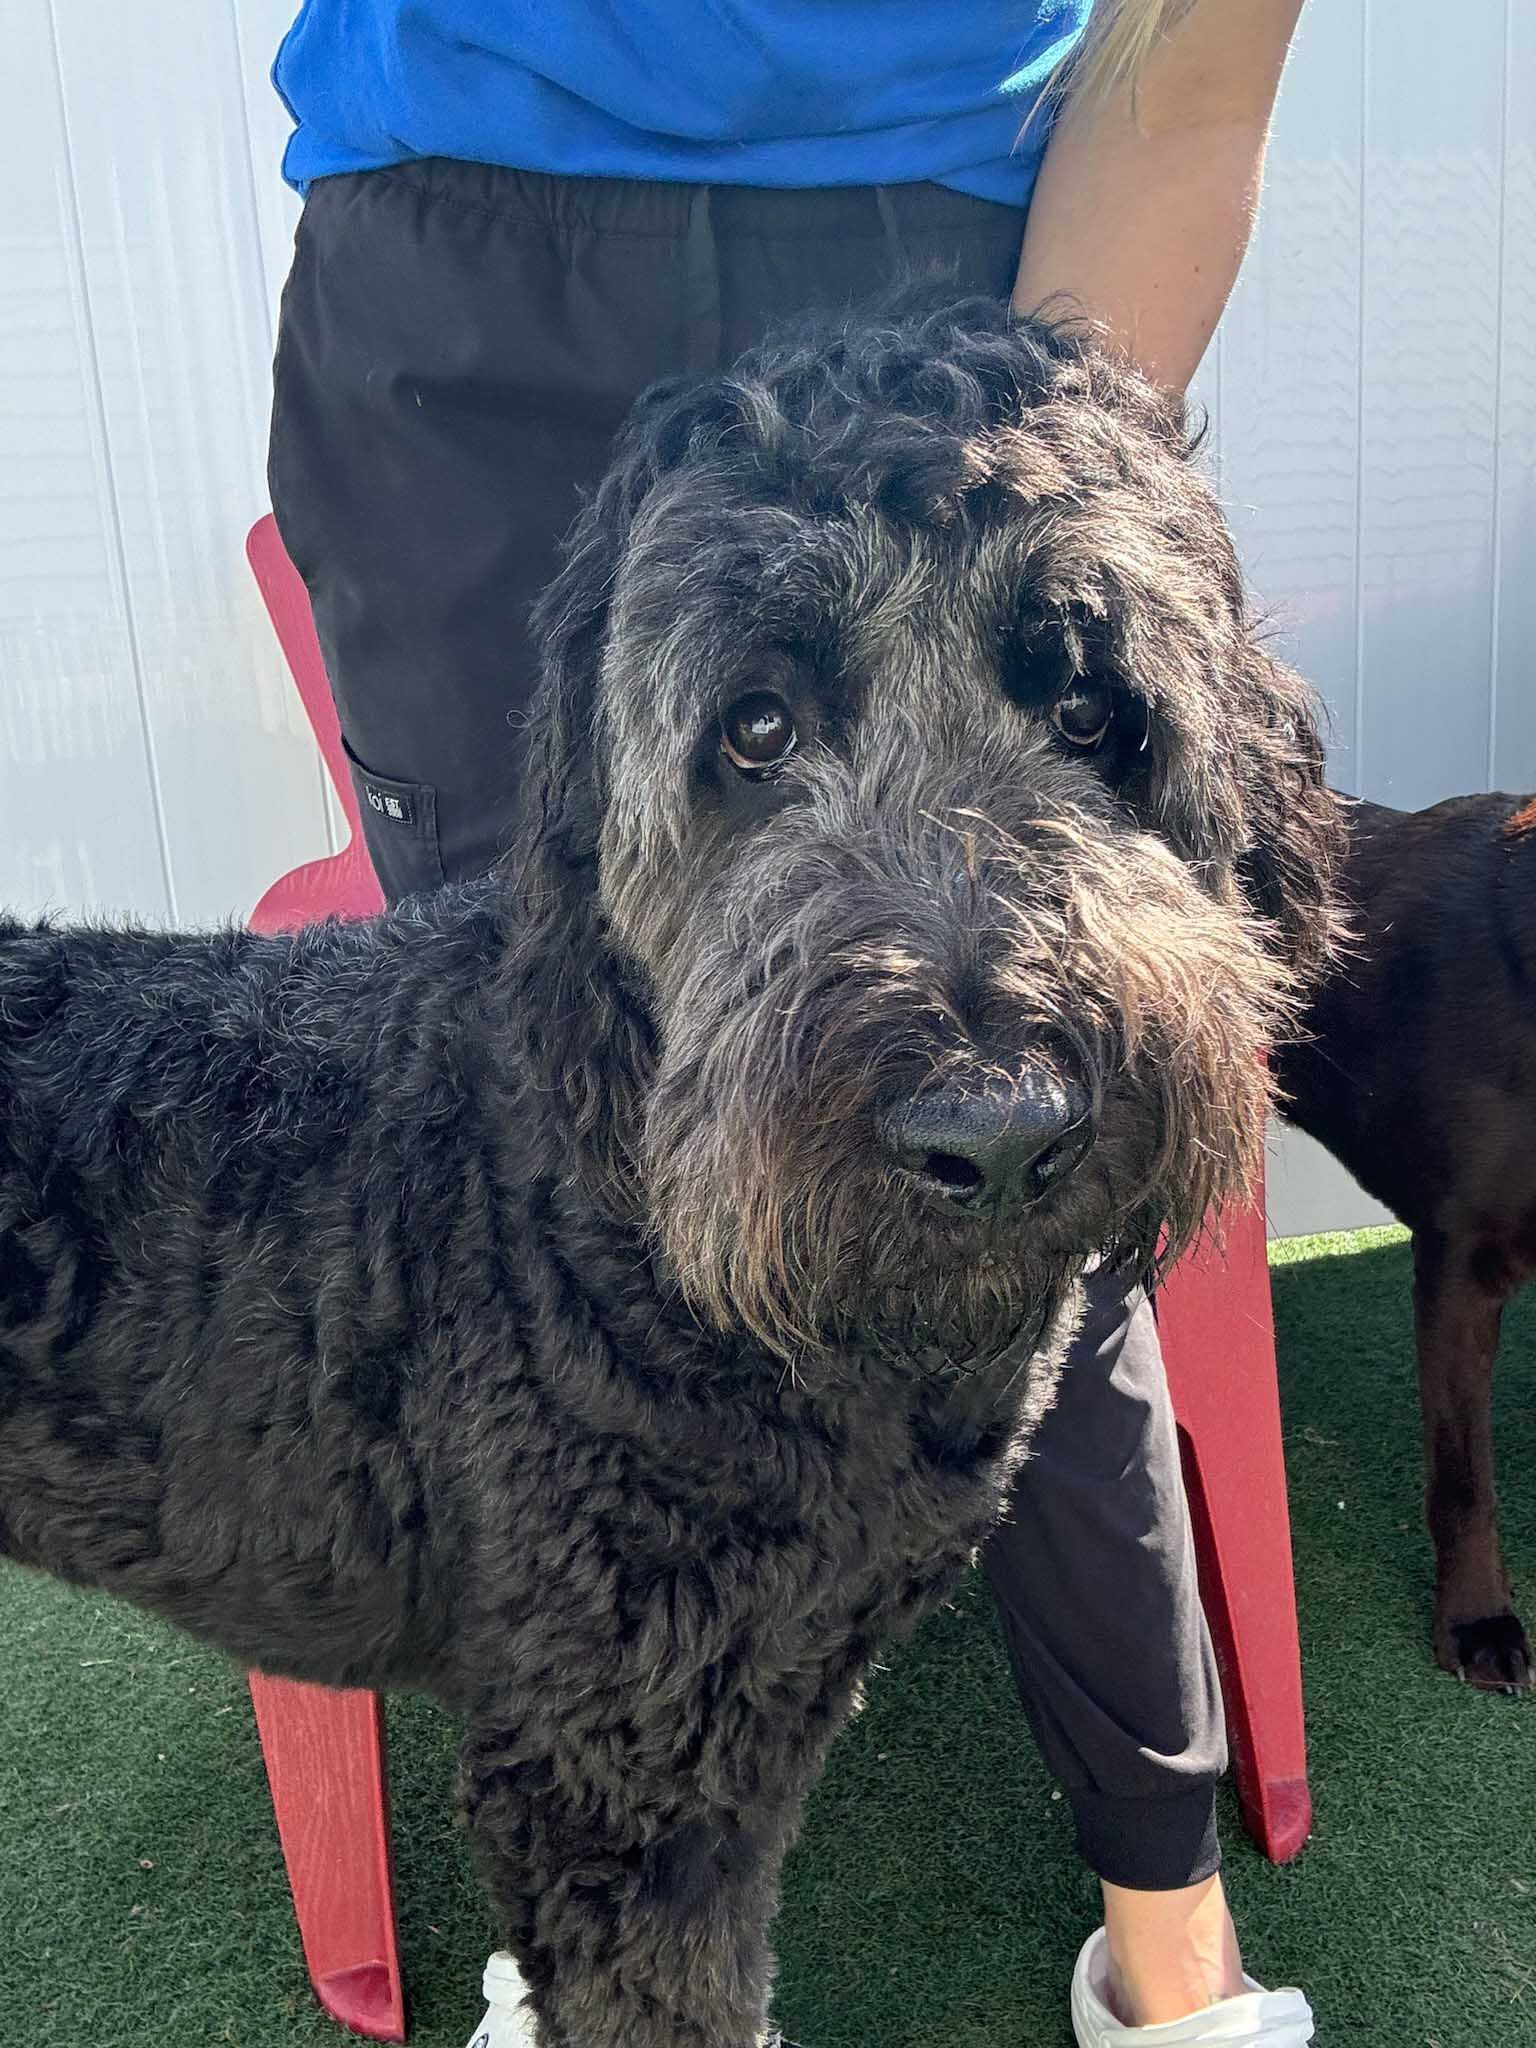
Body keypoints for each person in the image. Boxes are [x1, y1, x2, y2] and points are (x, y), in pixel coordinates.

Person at [265, 5, 1316, 2043]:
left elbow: (1197, 53)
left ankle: (1173, 1957)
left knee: (1048, 1171)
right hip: (459, 272)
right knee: (566, 1182)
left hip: (948, 227)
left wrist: (1072, 444)